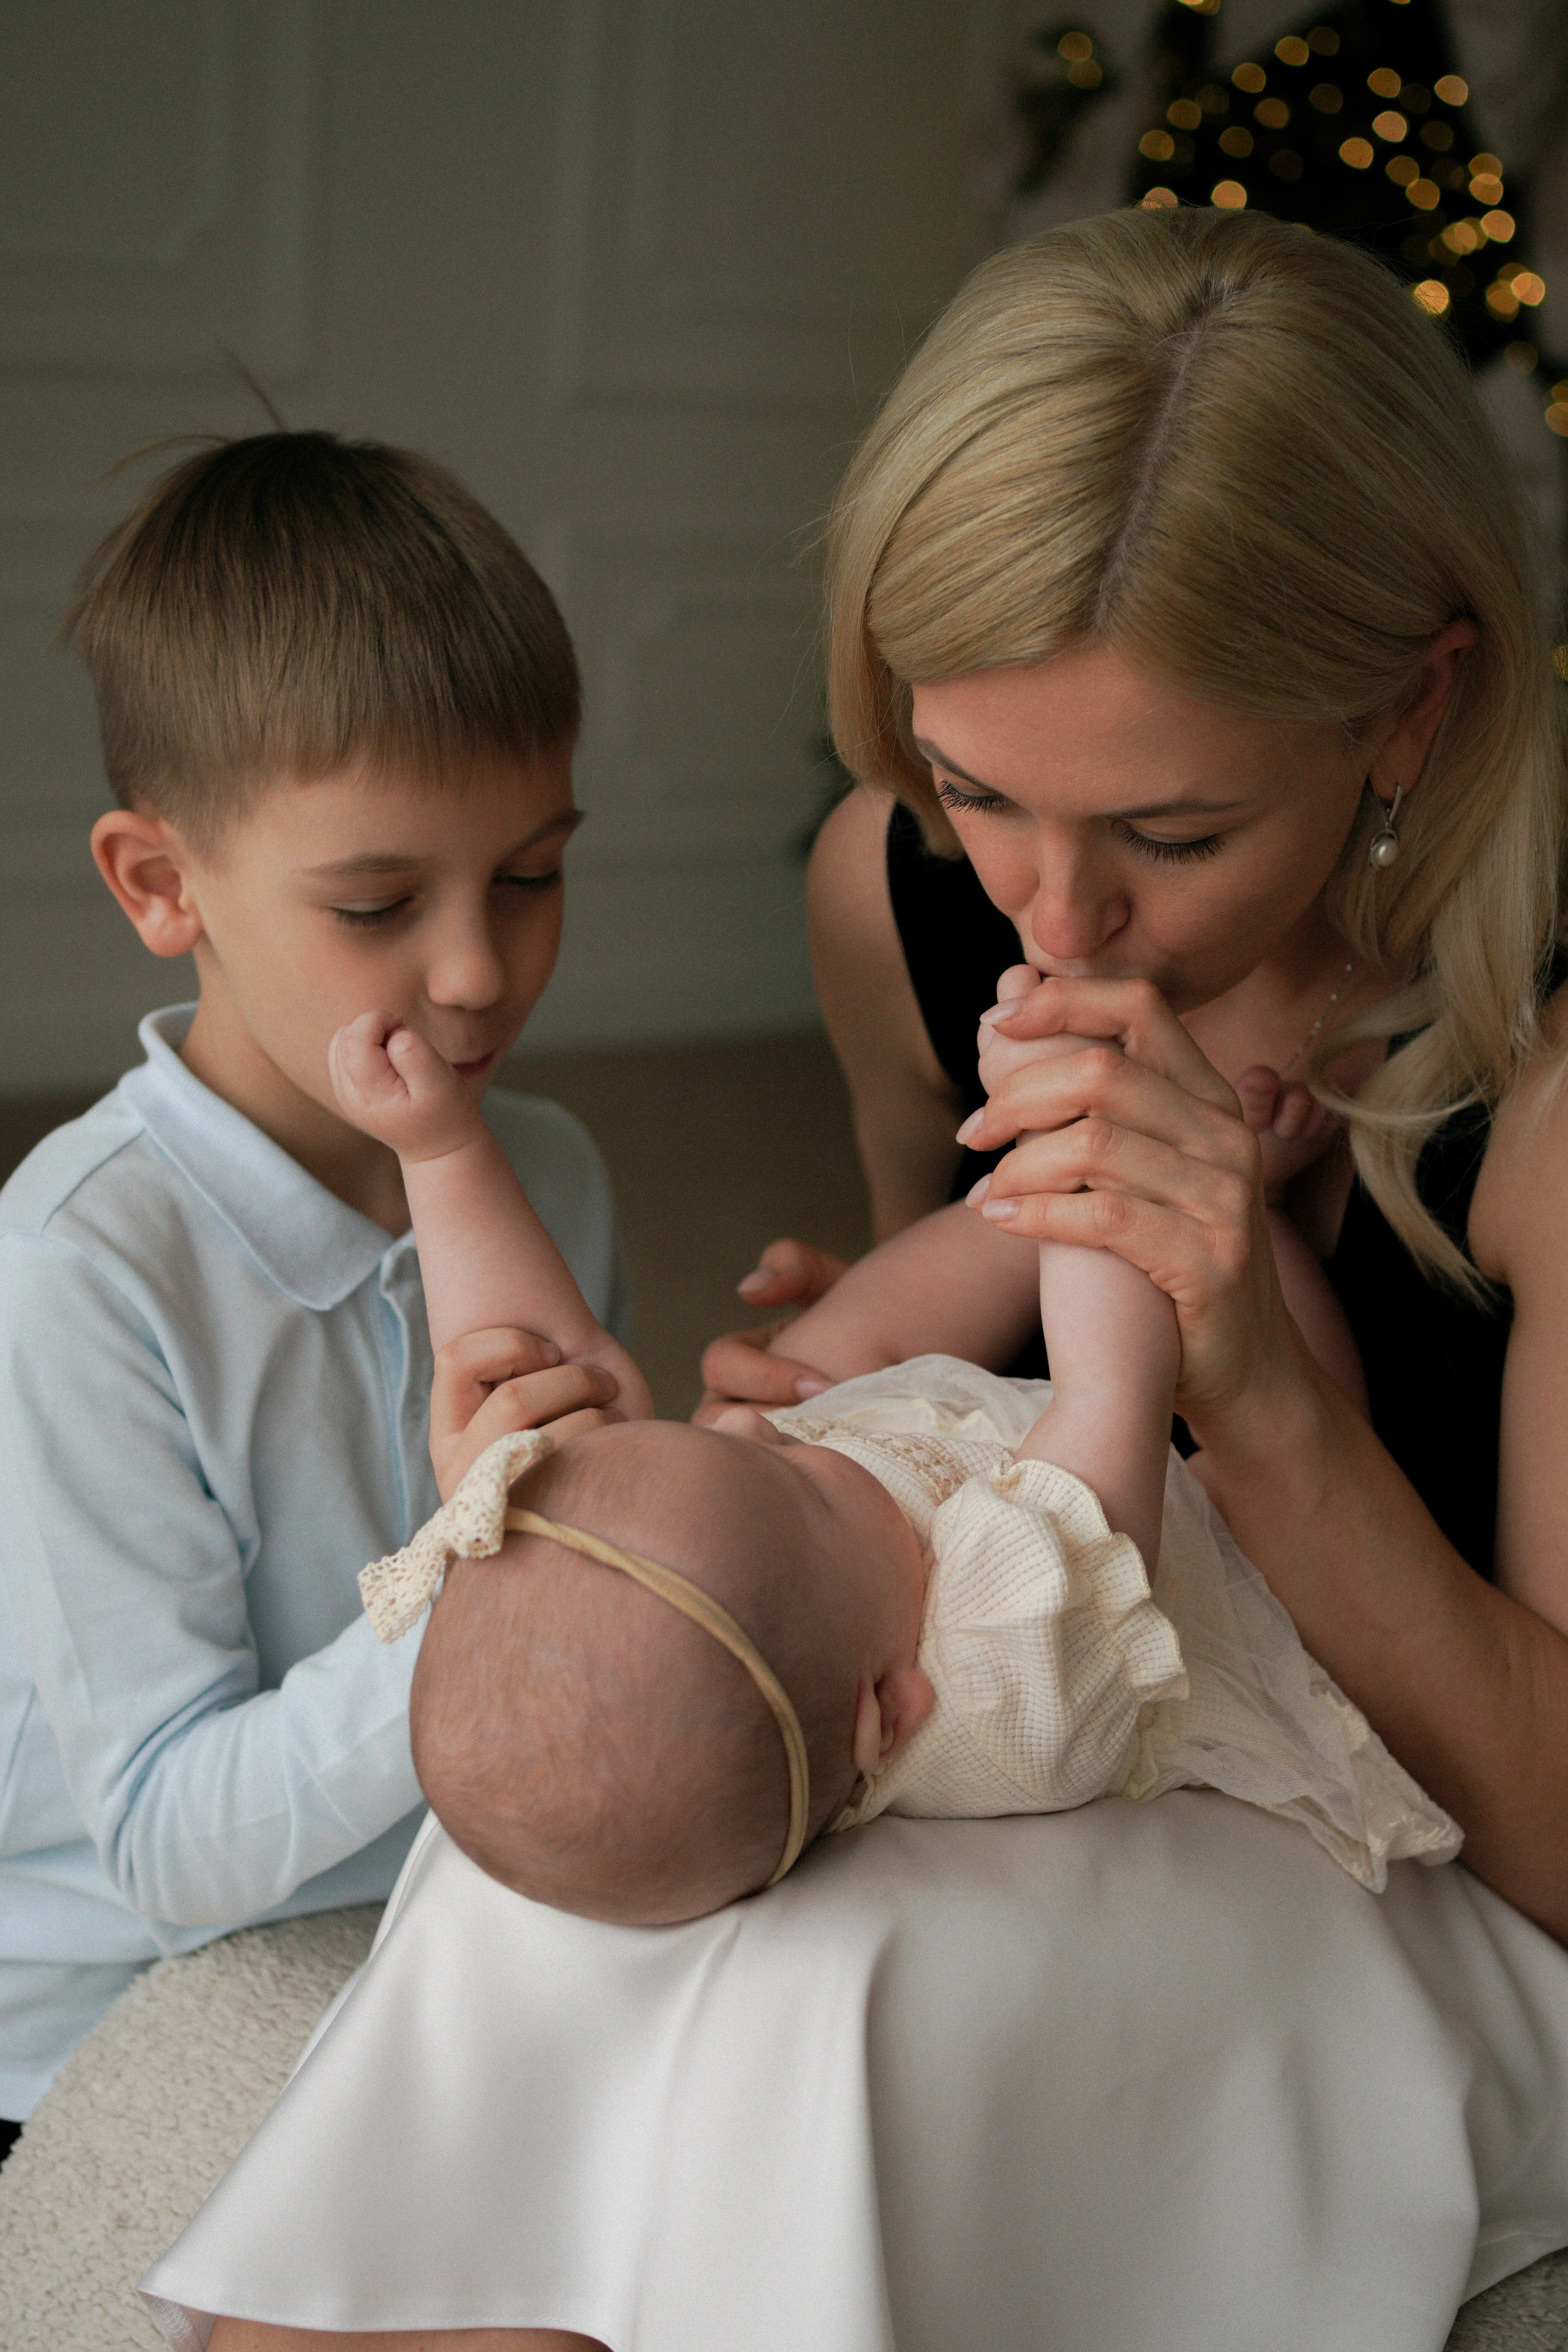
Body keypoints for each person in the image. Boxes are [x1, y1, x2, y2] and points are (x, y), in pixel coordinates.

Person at [141, 211, 1568, 2352]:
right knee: (613, 1822)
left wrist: (1258, 1391)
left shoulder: (1545, 1092)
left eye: (1172, 833)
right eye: (980, 788)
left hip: (1394, 1837)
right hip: (1041, 1723)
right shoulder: (896, 894)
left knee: (836, 1979)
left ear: (1411, 712)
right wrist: (820, 1416)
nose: (1052, 909)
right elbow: (957, 1303)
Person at [0, 433, 632, 2157]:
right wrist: (469, 1569)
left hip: (455, 1915)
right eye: (376, 903)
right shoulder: (81, 1268)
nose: (479, 972)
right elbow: (166, 1851)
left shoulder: (550, 1174)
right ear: (161, 885)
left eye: (533, 873)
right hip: (127, 2006)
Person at [318, 1001, 1450, 1925]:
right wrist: (1063, 1125)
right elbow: (1116, 1384)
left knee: (809, 1370)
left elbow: (537, 1373)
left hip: (971, 1457)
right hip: (1211, 1545)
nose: (747, 1430)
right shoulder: (1008, 1678)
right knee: (1255, 1391)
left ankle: (1071, 1201)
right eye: (796, 1485)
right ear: (889, 1714)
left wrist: (441, 1147)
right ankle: (1249, 1199)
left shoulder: (771, 1581)